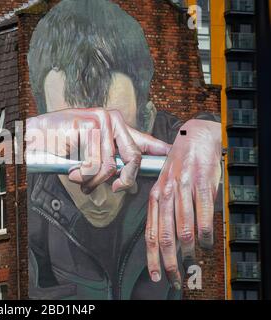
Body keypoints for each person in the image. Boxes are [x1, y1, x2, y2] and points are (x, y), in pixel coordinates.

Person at [26, 0, 222, 300]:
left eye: (119, 149)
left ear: (148, 118)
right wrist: (23, 136)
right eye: (74, 152)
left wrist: (212, 133)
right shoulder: (26, 159)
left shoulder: (173, 142)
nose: (100, 191)